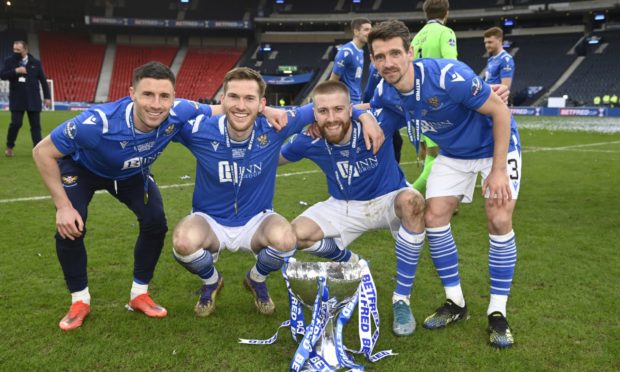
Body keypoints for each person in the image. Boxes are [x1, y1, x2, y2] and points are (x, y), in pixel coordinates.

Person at [31, 61, 286, 331]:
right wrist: (62, 206)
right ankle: (79, 300)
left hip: (132, 173)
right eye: (147, 95)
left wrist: (265, 109)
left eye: (164, 96)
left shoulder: (179, 112)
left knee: (155, 221)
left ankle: (139, 294)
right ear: (132, 93)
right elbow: (42, 151)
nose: (156, 104)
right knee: (72, 226)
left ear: (174, 98)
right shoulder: (97, 123)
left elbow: (227, 107)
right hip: (84, 170)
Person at [170, 68, 383, 317]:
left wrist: (364, 117)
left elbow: (331, 105)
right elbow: (166, 110)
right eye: (234, 97)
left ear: (261, 103)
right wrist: (213, 111)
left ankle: (256, 279)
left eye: (249, 99)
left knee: (286, 240)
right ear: (222, 100)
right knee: (183, 242)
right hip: (209, 220)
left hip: (257, 218)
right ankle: (211, 281)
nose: (241, 106)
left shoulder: (277, 124)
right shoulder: (199, 129)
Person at [368, 20, 521, 348]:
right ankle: (456, 303)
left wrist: (497, 170)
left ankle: (497, 312)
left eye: (395, 53)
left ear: (410, 53)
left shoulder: (447, 76)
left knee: (498, 217)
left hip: (495, 145)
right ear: (373, 60)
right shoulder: (384, 91)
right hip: (453, 154)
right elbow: (370, 112)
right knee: (434, 217)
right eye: (379, 56)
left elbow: (501, 113)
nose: (388, 63)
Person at [280, 80, 425, 336]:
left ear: (350, 109)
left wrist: (364, 114)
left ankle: (401, 298)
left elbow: (415, 104)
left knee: (412, 201)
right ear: (314, 113)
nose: (331, 118)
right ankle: (352, 262)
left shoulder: (378, 120)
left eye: (339, 109)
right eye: (323, 111)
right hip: (343, 205)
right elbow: (272, 159)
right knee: (294, 235)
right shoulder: (307, 140)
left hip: (388, 199)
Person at [410, 0, 457, 195]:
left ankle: (443, 196)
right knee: (444, 156)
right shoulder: (446, 33)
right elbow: (451, 66)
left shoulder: (416, 38)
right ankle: (407, 195)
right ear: (446, 12)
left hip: (420, 101)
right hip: (440, 102)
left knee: (432, 155)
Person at [1, 40, 51, 157]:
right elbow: (2, 75)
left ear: (25, 50)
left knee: (36, 126)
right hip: (17, 99)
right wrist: (15, 71)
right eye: (14, 50)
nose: (15, 52)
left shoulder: (35, 62)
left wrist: (47, 97)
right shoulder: (10, 61)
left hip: (33, 99)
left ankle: (38, 151)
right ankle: (10, 146)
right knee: (16, 123)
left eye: (18, 50)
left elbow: (43, 81)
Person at [329, 17, 372, 105]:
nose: (370, 33)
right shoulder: (346, 52)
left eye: (371, 30)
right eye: (366, 30)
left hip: (357, 100)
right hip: (347, 103)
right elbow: (332, 82)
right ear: (356, 32)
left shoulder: (360, 51)